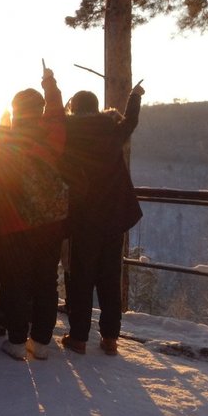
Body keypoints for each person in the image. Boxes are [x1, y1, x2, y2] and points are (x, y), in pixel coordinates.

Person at [60, 83, 145, 356]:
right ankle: (110, 338)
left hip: (84, 216)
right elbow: (130, 121)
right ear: (96, 108)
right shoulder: (112, 131)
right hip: (113, 216)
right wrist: (134, 96)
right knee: (110, 277)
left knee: (81, 277)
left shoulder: (68, 133)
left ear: (74, 109)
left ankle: (79, 337)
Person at [0, 68, 67, 361]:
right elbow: (57, 112)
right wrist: (50, 84)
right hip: (50, 220)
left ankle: (15, 341)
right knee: (47, 280)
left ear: (15, 111)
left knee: (16, 280)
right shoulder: (52, 135)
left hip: (15, 221)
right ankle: (42, 342)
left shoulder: (6, 140)